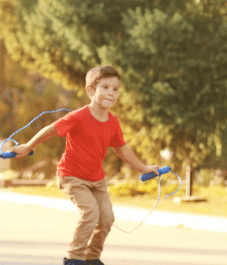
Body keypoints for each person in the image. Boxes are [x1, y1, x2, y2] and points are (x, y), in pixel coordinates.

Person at [11, 66, 159, 265]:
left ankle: (92, 258)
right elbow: (51, 129)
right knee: (90, 213)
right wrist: (28, 146)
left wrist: (143, 168)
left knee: (107, 219)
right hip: (72, 176)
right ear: (91, 90)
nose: (111, 93)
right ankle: (74, 258)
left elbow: (122, 148)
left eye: (115, 89)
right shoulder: (78, 116)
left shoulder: (113, 122)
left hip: (97, 179)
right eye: (105, 87)